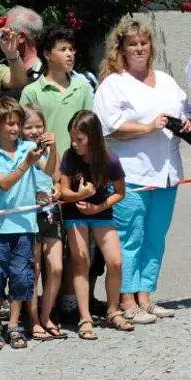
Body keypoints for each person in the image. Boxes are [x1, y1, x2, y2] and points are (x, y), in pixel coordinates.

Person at [93, 16, 190, 325]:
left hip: (166, 173)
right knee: (129, 237)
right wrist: (148, 127)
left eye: (143, 43)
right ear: (121, 48)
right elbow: (109, 127)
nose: (139, 48)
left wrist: (185, 122)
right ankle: (125, 298)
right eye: (132, 44)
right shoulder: (114, 83)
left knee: (155, 237)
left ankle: (146, 296)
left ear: (151, 46)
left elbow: (184, 112)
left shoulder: (166, 80)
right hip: (131, 174)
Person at [0, 98, 56, 350]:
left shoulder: (28, 148)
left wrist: (52, 151)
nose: (15, 128)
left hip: (25, 226)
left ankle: (14, 324)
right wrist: (27, 163)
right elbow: (4, 183)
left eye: (17, 123)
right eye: (9, 124)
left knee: (22, 277)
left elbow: (49, 170)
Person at [58, 111, 133, 339]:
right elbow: (63, 191)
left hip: (100, 213)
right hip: (75, 213)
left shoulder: (109, 158)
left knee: (115, 261)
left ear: (92, 136)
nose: (74, 143)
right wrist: (77, 195)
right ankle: (85, 317)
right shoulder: (70, 157)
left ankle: (113, 310)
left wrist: (98, 207)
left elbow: (120, 192)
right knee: (80, 261)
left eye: (79, 139)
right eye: (72, 138)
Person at [19, 104, 65, 341]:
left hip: (51, 211)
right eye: (29, 127)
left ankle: (47, 315)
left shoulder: (46, 150)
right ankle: (33, 318)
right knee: (35, 269)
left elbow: (54, 175)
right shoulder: (25, 149)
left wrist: (57, 189)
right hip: (31, 213)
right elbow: (43, 170)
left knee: (56, 267)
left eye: (39, 126)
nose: (35, 131)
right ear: (19, 129)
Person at [20, 26, 94, 157]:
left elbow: (91, 130)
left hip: (77, 165)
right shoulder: (31, 92)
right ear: (47, 54)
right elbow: (25, 136)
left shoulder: (82, 87)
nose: (69, 54)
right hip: (45, 166)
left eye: (71, 49)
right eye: (63, 49)